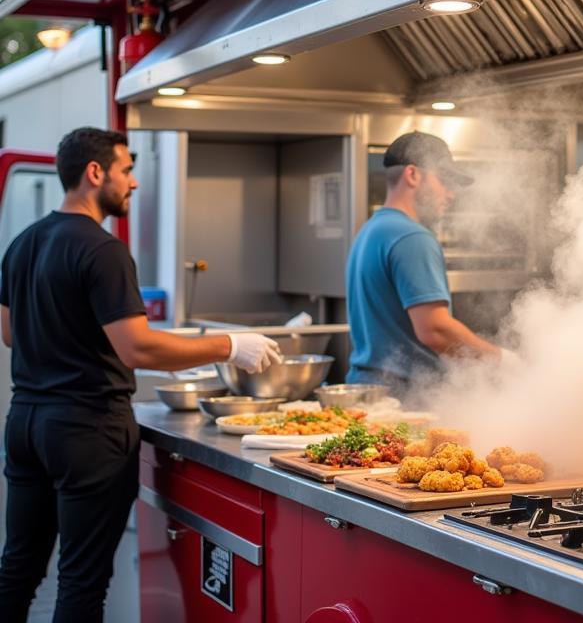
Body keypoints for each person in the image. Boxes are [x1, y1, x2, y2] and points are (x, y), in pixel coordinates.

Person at [0, 127, 282, 623]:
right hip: (87, 430)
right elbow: (138, 347)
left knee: (17, 569)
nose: (133, 183)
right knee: (81, 581)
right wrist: (230, 345)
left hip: (26, 423)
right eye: (126, 170)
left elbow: (9, 333)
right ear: (95, 173)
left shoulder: (23, 242)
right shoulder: (102, 249)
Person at [345, 131, 502, 396]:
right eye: (444, 180)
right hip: (406, 399)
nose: (451, 194)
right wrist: (501, 360)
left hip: (368, 391)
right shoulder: (412, 237)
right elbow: (435, 330)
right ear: (413, 175)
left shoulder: (372, 229)